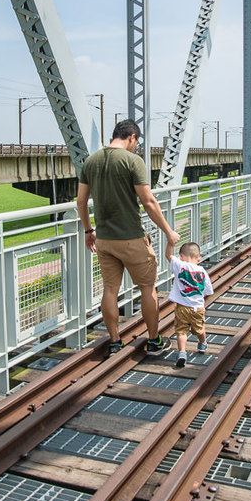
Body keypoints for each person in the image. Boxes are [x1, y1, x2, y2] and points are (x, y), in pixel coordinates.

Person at [77, 119, 181, 356]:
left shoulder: (90, 162)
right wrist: (168, 231)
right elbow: (148, 202)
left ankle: (115, 343)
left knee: (110, 290)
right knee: (147, 288)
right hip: (132, 238)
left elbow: (81, 202)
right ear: (132, 137)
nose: (136, 146)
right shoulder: (133, 161)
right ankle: (154, 341)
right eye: (137, 142)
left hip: (104, 239)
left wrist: (88, 230)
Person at [165, 241, 213, 368]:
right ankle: (202, 343)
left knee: (181, 331)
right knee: (199, 328)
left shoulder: (179, 266)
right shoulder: (202, 272)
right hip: (198, 308)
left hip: (182, 307)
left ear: (181, 256)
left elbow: (168, 255)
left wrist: (170, 242)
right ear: (199, 258)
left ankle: (182, 353)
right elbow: (208, 291)